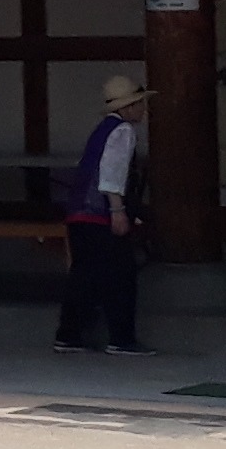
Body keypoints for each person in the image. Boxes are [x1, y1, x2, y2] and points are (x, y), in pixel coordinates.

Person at [56, 73, 150, 356]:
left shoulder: (102, 130)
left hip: (80, 215)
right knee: (120, 275)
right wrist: (118, 210)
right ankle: (121, 338)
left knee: (84, 275)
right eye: (139, 104)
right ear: (128, 107)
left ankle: (69, 334)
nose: (142, 109)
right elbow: (112, 173)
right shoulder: (123, 132)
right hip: (100, 215)